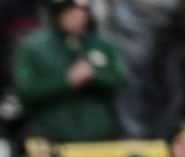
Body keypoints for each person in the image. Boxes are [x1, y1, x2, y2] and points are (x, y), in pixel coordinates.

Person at [13, 0, 127, 142]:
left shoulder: (103, 43)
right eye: (71, 12)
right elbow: (26, 89)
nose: (77, 17)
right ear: (59, 13)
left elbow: (119, 79)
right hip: (51, 136)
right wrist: (66, 80)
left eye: (82, 12)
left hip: (98, 136)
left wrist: (95, 75)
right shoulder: (34, 46)